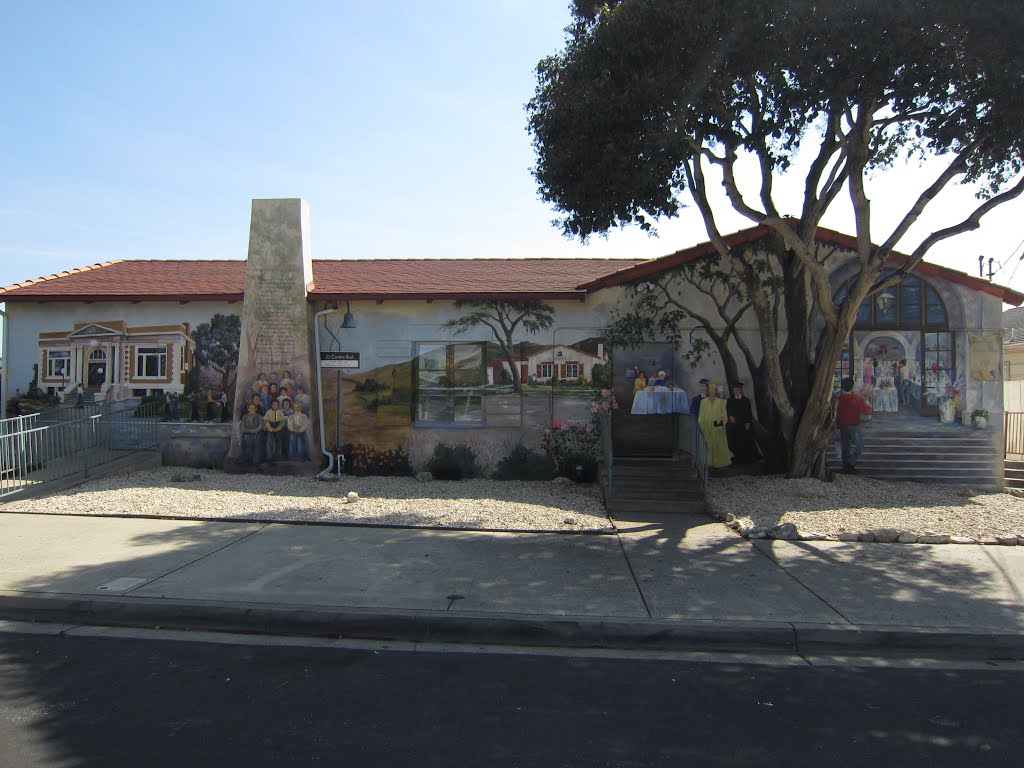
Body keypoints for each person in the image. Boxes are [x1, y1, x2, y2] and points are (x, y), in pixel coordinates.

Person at [836, 376, 872, 473]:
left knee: (845, 447)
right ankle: (851, 463)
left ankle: (845, 466)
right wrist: (868, 403)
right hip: (854, 426)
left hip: (842, 425)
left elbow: (836, 413)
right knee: (859, 446)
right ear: (852, 387)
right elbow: (867, 410)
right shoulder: (856, 399)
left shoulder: (839, 399)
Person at [698, 381, 732, 469]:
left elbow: (724, 416)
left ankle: (720, 464)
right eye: (710, 389)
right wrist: (702, 425)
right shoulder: (703, 402)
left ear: (716, 390)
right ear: (708, 390)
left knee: (718, 445)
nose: (711, 390)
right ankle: (709, 463)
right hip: (707, 428)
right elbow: (701, 416)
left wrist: (719, 425)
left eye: (713, 389)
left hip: (718, 429)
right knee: (708, 445)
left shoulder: (721, 402)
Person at [726, 381, 757, 465]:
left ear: (741, 390)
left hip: (743, 424)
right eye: (735, 390)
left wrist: (748, 422)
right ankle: (737, 459)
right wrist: (731, 417)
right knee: (735, 442)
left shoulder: (746, 400)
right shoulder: (730, 400)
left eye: (738, 390)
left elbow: (748, 413)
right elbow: (729, 412)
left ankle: (747, 460)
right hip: (734, 425)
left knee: (745, 441)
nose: (736, 391)